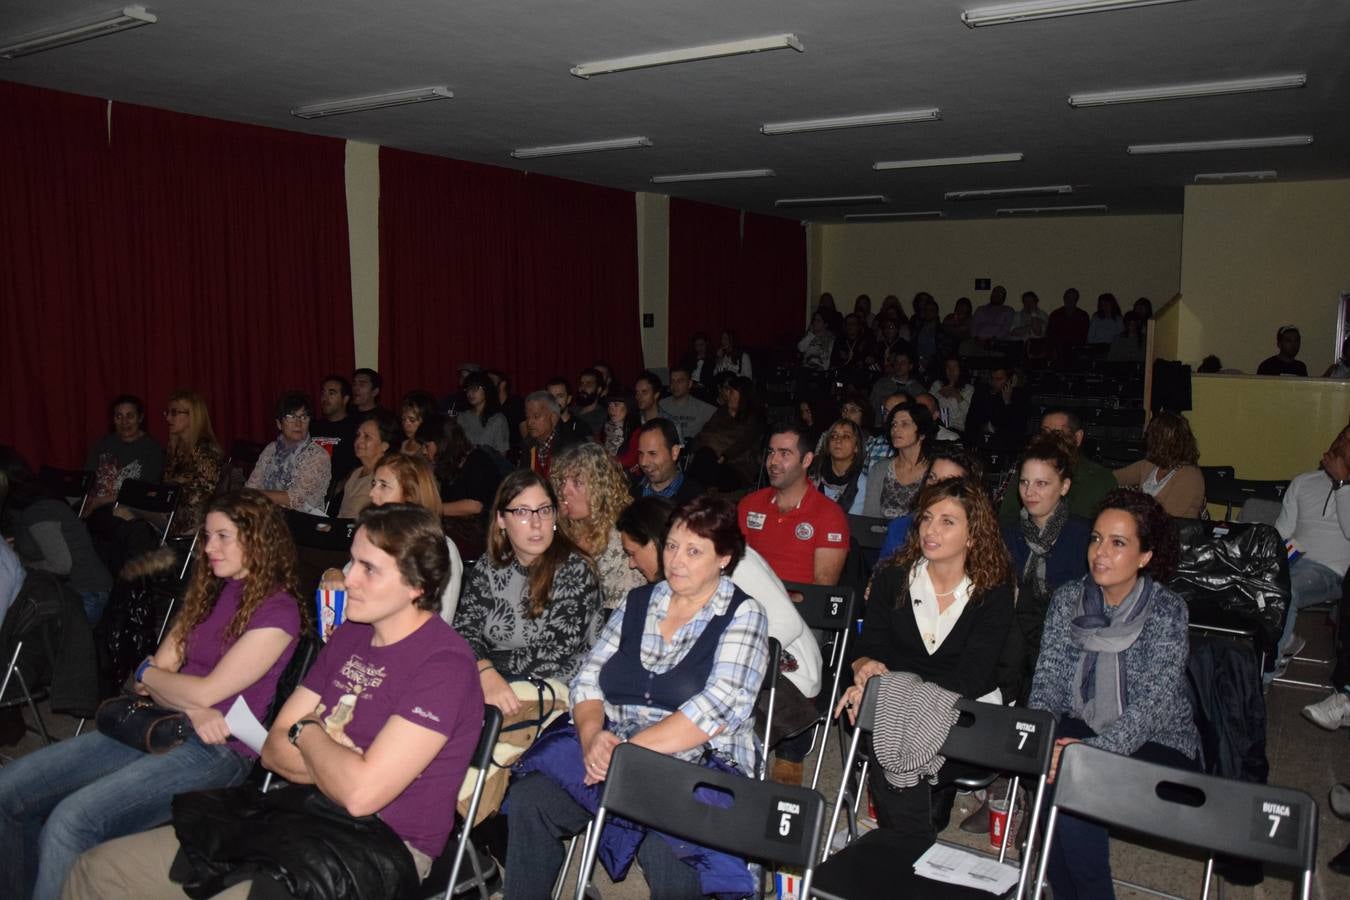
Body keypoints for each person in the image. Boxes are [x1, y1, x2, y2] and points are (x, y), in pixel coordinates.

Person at [65, 504, 484, 898]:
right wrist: (332, 755)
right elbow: (272, 749)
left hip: (382, 846)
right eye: (352, 560)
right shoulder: (351, 635)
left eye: (368, 569)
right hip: (299, 814)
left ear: (417, 586)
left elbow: (360, 795)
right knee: (97, 869)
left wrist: (309, 730)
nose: (347, 576)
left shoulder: (444, 665)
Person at [2, 490, 305, 900]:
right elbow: (151, 676)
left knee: (71, 820)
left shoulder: (279, 611)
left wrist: (168, 683)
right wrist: (178, 692)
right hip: (160, 722)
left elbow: (204, 688)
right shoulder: (211, 590)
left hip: (217, 750)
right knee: (10, 789)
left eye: (222, 536)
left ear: (258, 540)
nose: (208, 547)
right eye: (206, 535)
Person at [504, 495, 770, 899]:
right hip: (612, 743)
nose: (676, 560)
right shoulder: (638, 601)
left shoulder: (744, 614)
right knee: (530, 800)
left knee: (669, 849)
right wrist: (593, 737)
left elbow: (717, 708)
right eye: (672, 546)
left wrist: (625, 753)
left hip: (694, 756)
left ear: (724, 558)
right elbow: (587, 681)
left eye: (694, 551)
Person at [1028, 489, 1198, 899]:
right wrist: (1043, 738)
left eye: (1118, 543)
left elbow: (1153, 705)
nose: (1100, 553)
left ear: (1144, 557)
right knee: (1051, 782)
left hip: (1155, 740)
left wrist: (1092, 752)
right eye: (1096, 539)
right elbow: (1047, 680)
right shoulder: (1070, 597)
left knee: (1078, 787)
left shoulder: (1167, 610)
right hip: (1081, 725)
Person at [838, 477, 1014, 840]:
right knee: (882, 729)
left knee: (888, 732)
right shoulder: (893, 578)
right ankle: (910, 850)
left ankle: (903, 846)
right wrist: (865, 670)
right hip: (899, 706)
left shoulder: (992, 591)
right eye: (927, 518)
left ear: (972, 534)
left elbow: (972, 677)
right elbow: (866, 646)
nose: (931, 530)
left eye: (947, 522)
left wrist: (888, 693)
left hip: (964, 710)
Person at [617, 495, 822, 708]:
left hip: (788, 678)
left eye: (632, 553)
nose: (631, 564)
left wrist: (724, 660)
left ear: (654, 542)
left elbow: (788, 622)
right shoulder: (676, 581)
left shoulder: (735, 562)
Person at [453, 470, 603, 713]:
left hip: (561, 690)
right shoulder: (490, 565)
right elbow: (465, 629)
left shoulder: (575, 570)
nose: (536, 523)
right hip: (494, 681)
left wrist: (487, 667)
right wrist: (485, 670)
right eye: (522, 512)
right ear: (501, 519)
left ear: (555, 516)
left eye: (544, 510)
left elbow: (553, 654)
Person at [1001, 431, 1091, 705]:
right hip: (1013, 652)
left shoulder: (1085, 536)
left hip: (1066, 650)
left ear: (1064, 486)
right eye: (1025, 482)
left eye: (1041, 483)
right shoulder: (1007, 534)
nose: (1029, 492)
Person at [324, 452, 464, 624]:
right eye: (373, 483)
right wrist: (332, 574)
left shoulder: (442, 548)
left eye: (383, 485)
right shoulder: (374, 539)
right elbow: (345, 584)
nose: (372, 493)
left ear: (411, 496)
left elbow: (440, 622)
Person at [0, 447, 113, 625]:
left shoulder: (38, 510)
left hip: (85, 593)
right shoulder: (23, 507)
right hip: (64, 591)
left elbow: (61, 565)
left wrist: (18, 562)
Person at [1275, 426, 1350, 691]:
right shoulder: (1304, 481)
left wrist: (1342, 483)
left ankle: (1264, 673)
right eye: (1341, 436)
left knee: (1287, 590)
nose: (1342, 443)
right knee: (1251, 582)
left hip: (1331, 572)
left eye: (1349, 441)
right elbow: (1282, 531)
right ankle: (1286, 639)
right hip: (1293, 560)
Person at [737, 423, 848, 586]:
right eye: (771, 452)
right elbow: (734, 565)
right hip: (749, 604)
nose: (773, 461)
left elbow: (822, 589)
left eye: (784, 454)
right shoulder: (750, 504)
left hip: (797, 608)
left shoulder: (829, 515)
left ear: (807, 460)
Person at [552, 442, 647, 612]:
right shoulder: (563, 528)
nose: (565, 491)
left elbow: (621, 614)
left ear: (601, 488)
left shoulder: (623, 539)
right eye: (562, 482)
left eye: (577, 482)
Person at [1000, 409, 1117, 525]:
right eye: (1045, 433)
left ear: (1078, 437)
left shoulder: (1101, 479)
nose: (1049, 440)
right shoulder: (1028, 470)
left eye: (1058, 434)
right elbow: (1007, 519)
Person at [877, 444, 984, 559]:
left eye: (947, 482)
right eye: (932, 477)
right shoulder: (900, 528)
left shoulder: (978, 535)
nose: (935, 486)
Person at [245, 390, 331, 514]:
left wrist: (257, 495)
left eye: (304, 417)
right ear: (279, 424)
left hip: (302, 521)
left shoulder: (318, 455)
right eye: (291, 417)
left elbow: (295, 499)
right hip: (267, 515)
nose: (298, 423)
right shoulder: (271, 449)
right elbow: (252, 485)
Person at [82, 395, 164, 516]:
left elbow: (145, 492)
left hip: (128, 509)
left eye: (130, 416)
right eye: (119, 416)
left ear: (140, 418)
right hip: (95, 507)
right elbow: (87, 477)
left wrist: (100, 501)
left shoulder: (152, 450)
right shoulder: (103, 444)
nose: (124, 422)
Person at [1113, 412, 1205, 519]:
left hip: (1170, 533)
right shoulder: (1149, 465)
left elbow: (1165, 518)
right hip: (1143, 529)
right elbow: (1111, 478)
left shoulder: (1190, 476)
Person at [684, 375, 765, 492]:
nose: (727, 395)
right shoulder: (722, 412)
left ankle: (690, 494)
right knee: (704, 456)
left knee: (704, 460)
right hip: (712, 459)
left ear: (743, 396)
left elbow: (743, 443)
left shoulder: (754, 419)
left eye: (731, 392)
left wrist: (724, 455)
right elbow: (705, 431)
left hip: (737, 468)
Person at [862, 401, 936, 519]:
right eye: (894, 424)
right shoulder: (880, 469)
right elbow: (870, 517)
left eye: (905, 424)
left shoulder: (935, 472)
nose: (896, 429)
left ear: (922, 433)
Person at [336, 408, 399, 519]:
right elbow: (342, 515)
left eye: (367, 436)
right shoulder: (356, 473)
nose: (358, 441)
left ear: (384, 446)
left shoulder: (387, 477)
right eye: (358, 435)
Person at [632, 418, 704, 504]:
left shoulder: (695, 499)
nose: (643, 462)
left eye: (652, 453)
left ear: (674, 452)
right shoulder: (630, 491)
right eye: (640, 453)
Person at [520, 391, 587, 478]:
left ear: (553, 418)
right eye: (527, 417)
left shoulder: (572, 445)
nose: (529, 423)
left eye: (536, 416)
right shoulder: (528, 445)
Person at [809, 418, 868, 515]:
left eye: (846, 436)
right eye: (833, 436)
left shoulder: (862, 484)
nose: (838, 440)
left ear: (857, 447)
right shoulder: (813, 477)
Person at [310, 375, 359, 488]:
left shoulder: (356, 429)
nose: (325, 398)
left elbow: (360, 467)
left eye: (331, 393)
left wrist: (340, 487)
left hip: (340, 494)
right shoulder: (312, 427)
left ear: (345, 399)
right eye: (323, 393)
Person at [964, 367, 1030, 451]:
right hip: (980, 442)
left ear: (1010, 380)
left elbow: (1018, 428)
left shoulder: (1019, 396)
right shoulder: (982, 393)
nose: (994, 382)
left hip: (1006, 446)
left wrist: (1007, 402)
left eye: (999, 379)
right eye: (992, 378)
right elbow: (971, 421)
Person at [457, 371, 510, 455]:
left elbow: (502, 454)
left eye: (475, 388)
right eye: (467, 389)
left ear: (486, 389)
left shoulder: (498, 419)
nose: (470, 393)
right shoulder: (462, 417)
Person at [660, 366, 716, 439]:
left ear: (689, 384)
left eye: (680, 381)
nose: (675, 385)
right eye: (672, 381)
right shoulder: (661, 405)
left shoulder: (702, 408)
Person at [929, 355, 975, 433]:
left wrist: (958, 397)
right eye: (948, 367)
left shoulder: (968, 389)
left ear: (960, 370)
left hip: (958, 429)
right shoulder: (937, 385)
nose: (951, 371)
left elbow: (971, 414)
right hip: (938, 428)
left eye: (955, 367)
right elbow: (927, 407)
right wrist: (939, 394)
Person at [601, 394, 640, 468]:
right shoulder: (605, 428)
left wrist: (604, 459)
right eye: (610, 405)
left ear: (628, 407)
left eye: (616, 404)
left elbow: (630, 461)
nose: (611, 409)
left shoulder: (637, 432)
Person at [398, 390, 438, 456]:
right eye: (403, 419)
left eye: (412, 420)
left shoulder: (429, 448)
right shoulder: (403, 444)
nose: (405, 425)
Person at [572, 368, 607, 436]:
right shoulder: (571, 410)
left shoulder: (601, 416)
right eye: (581, 384)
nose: (583, 388)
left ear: (599, 390)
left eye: (588, 384)